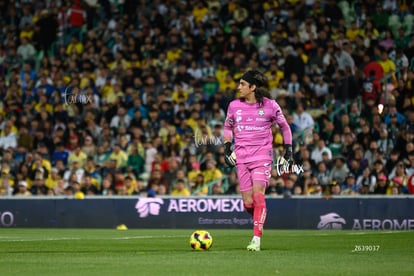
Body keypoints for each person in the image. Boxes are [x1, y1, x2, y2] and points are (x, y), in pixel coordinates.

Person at [223, 69, 293, 251]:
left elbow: (285, 127)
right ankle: (258, 218)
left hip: (262, 156)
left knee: (258, 194)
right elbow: (227, 127)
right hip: (241, 158)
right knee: (248, 203)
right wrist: (226, 147)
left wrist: (288, 151)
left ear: (252, 87)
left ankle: (256, 239)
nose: (239, 87)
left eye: (242, 84)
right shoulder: (233, 106)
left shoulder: (270, 105)